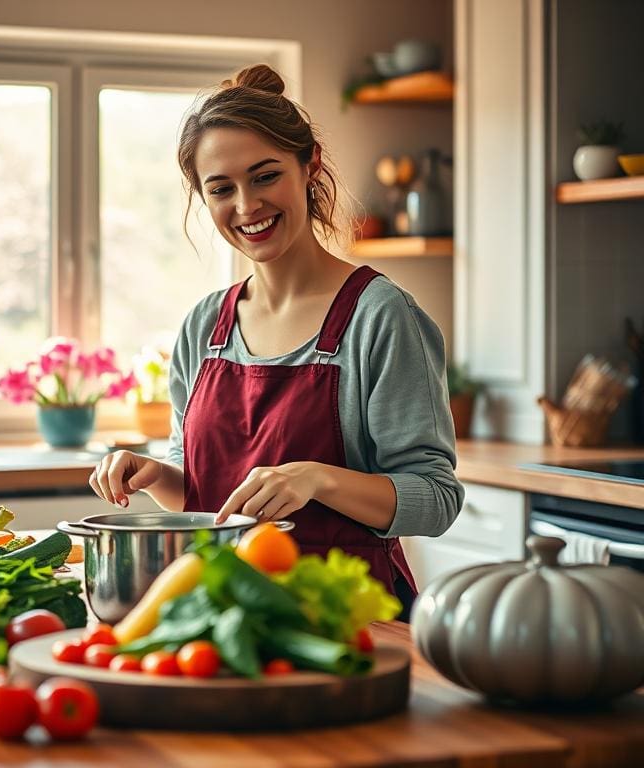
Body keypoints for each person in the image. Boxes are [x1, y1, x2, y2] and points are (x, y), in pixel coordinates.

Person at [88, 63, 464, 618]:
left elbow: (435, 499)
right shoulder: (203, 326)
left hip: (344, 620)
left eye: (265, 176)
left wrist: (318, 479)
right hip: (225, 614)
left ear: (310, 165)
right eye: (222, 189)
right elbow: (201, 498)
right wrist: (152, 475)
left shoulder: (379, 315)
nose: (247, 206)